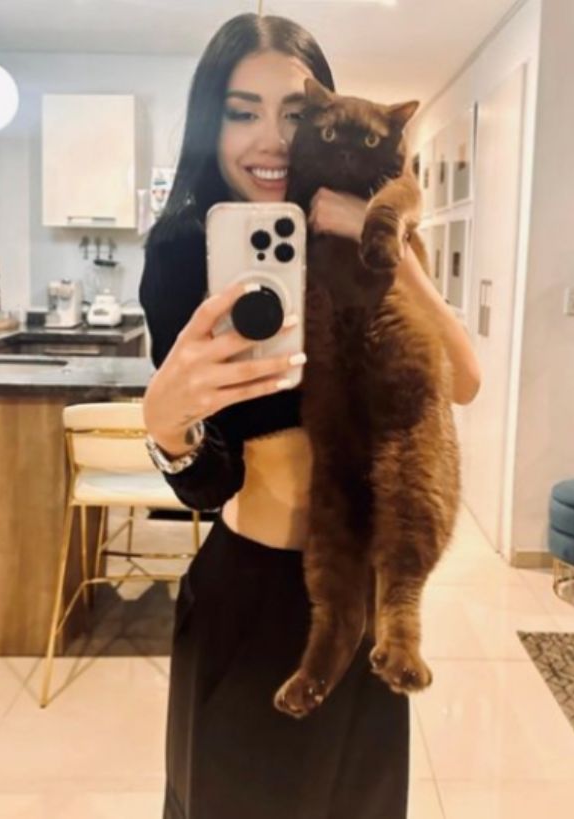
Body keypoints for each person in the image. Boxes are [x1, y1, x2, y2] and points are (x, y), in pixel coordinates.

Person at [138, 13, 481, 819]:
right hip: (252, 594)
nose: (269, 138)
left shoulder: (369, 227)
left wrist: (380, 239)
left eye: (292, 113)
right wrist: (165, 428)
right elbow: (209, 483)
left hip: (359, 592)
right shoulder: (185, 251)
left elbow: (462, 379)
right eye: (241, 111)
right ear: (211, 122)